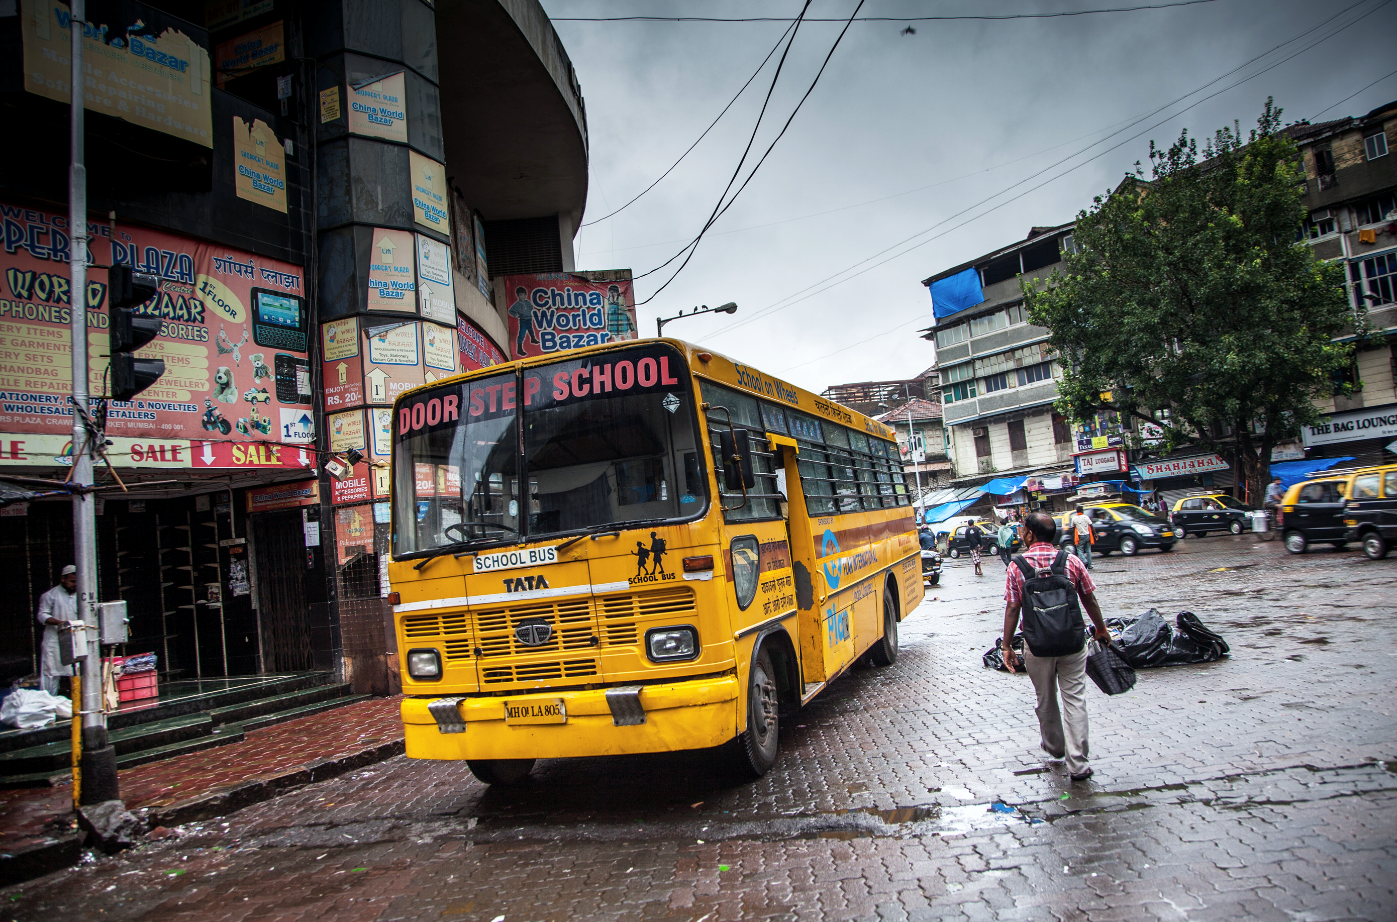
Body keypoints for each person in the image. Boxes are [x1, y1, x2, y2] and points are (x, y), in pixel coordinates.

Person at [1001, 513, 1111, 782]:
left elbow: (1013, 607)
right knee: (1075, 698)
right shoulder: (1071, 561)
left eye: (1023, 529)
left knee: (1046, 699)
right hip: (1072, 642)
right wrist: (1101, 629)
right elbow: (1089, 598)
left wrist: (1006, 645)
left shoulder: (1016, 567)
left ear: (1030, 534)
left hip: (1037, 645)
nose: (1021, 533)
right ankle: (1079, 764)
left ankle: (1055, 746)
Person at [36, 565, 78, 695]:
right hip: (55, 641)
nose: (75, 584)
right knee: (51, 672)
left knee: (78, 671)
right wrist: (60, 623)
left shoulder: (82, 596)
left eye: (77, 582)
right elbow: (42, 615)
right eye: (72, 581)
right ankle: (48, 705)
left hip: (76, 639)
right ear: (63, 579)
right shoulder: (50, 595)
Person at [508, 286, 538, 356]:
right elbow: (511, 311)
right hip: (523, 320)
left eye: (524, 294)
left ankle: (533, 339)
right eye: (521, 295)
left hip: (529, 319)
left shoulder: (527, 302)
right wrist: (516, 315)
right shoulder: (517, 304)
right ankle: (519, 348)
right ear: (518, 295)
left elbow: (531, 307)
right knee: (522, 333)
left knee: (531, 330)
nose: (523, 296)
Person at [1069, 505, 1095, 570]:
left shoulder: (1074, 518)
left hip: (1080, 536)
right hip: (1087, 535)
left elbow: (1073, 527)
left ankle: (1084, 561)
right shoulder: (1086, 517)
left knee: (1080, 550)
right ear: (1082, 511)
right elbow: (1091, 526)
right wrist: (1095, 534)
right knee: (1088, 550)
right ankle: (1089, 565)